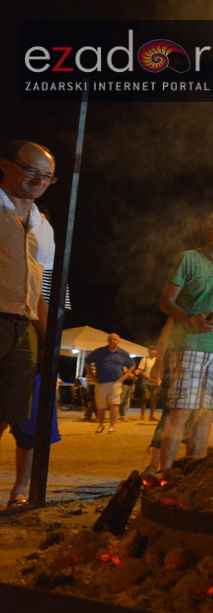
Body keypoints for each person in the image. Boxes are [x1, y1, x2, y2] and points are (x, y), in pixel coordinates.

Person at [150, 212, 213, 473]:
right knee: (181, 411)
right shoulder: (188, 259)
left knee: (206, 416)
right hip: (188, 347)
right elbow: (166, 302)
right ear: (206, 233)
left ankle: (192, 473)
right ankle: (165, 474)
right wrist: (191, 319)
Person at [1, 141, 54, 506]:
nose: (39, 180)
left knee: (9, 415)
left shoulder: (42, 226)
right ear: (6, 165)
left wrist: (49, 338)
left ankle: (19, 490)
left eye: (47, 176)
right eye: (31, 170)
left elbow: (41, 289)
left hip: (23, 328)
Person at [84, 333, 136, 434]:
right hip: (101, 382)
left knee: (114, 404)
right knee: (101, 406)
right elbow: (87, 361)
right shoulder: (99, 351)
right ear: (107, 340)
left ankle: (112, 426)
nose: (112, 341)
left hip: (115, 382)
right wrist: (91, 375)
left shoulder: (123, 353)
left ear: (118, 341)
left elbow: (132, 365)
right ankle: (101, 425)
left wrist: (126, 375)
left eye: (115, 339)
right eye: (110, 339)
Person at [136, 346, 160, 421]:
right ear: (149, 351)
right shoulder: (145, 359)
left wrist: (159, 379)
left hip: (156, 383)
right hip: (146, 382)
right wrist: (149, 379)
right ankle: (142, 416)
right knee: (144, 399)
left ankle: (151, 416)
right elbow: (141, 371)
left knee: (154, 399)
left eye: (154, 350)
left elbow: (161, 370)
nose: (153, 352)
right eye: (152, 350)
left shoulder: (158, 360)